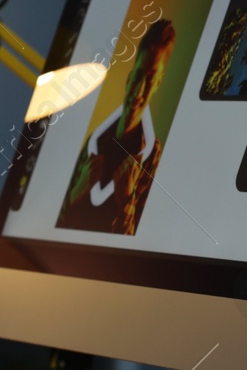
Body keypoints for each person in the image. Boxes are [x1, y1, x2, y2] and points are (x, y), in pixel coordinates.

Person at [56, 18, 177, 235]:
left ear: (159, 83)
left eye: (150, 80)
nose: (139, 91)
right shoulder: (95, 140)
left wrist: (127, 202)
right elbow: (54, 219)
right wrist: (74, 195)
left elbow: (136, 245)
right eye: (139, 76)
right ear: (129, 78)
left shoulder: (152, 157)